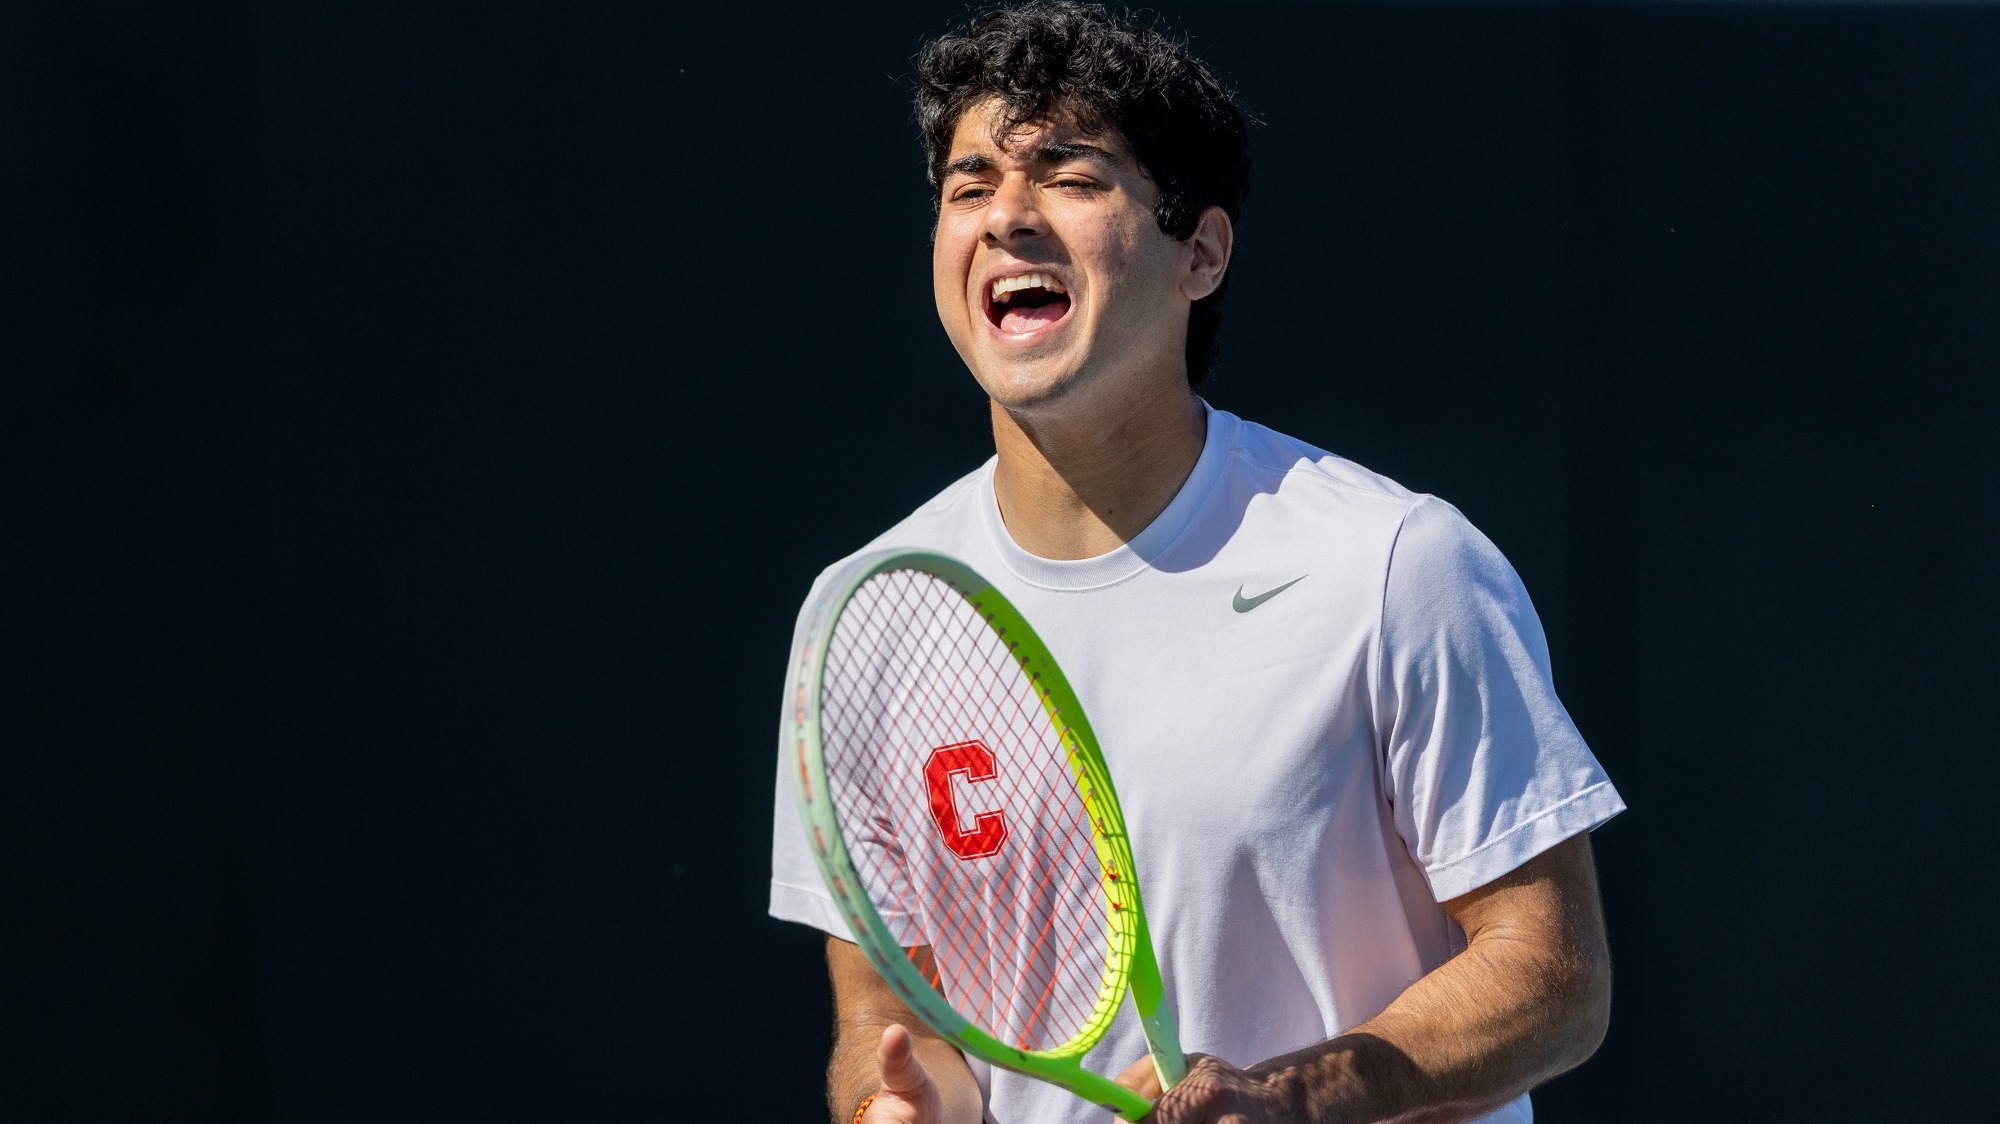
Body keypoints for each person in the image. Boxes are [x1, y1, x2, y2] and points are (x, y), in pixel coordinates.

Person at [768, 4, 1625, 1121]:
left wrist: (1301, 1093)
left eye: (1068, 176)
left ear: (1200, 253)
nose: (1004, 217)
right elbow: (891, 1023)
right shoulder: (859, 619)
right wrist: (895, 1104)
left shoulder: (1394, 564)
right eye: (968, 185)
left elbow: (1556, 975)